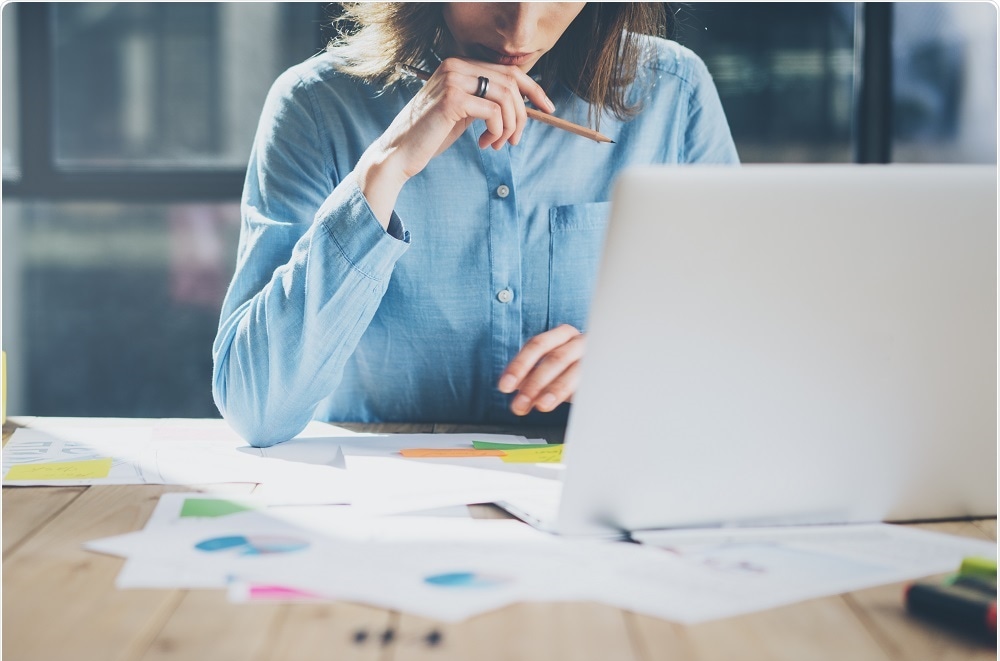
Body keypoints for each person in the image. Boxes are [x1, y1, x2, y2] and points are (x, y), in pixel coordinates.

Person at [212, 2, 739, 447]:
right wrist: (385, 169)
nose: (521, 30)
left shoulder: (675, 94)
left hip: (595, 496)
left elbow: (745, 355)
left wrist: (641, 360)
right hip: (383, 511)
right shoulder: (315, 106)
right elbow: (255, 408)